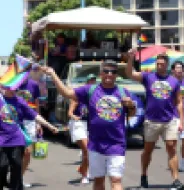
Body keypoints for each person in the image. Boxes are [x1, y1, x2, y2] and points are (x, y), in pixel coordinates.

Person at [40, 60, 136, 190]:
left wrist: (131, 105)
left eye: (113, 72)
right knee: (98, 181)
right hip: (96, 144)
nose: (109, 74)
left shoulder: (123, 92)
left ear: (116, 75)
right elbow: (67, 93)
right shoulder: (90, 90)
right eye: (106, 71)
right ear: (100, 74)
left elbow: (131, 113)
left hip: (116, 144)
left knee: (116, 181)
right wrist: (53, 74)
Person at [126, 51, 184, 190]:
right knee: (148, 150)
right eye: (158, 64)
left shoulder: (174, 81)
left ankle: (176, 180)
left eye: (162, 64)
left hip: (169, 120)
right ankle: (143, 176)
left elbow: (179, 102)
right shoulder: (148, 77)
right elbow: (130, 73)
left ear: (167, 65)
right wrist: (130, 59)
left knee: (171, 148)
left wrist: (181, 121)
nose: (159, 66)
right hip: (151, 120)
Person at [0, 87, 58, 190]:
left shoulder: (19, 101)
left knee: (17, 166)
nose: (12, 90)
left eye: (14, 88)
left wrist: (49, 125)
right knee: (2, 166)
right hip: (1, 139)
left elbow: (34, 115)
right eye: (8, 88)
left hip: (16, 139)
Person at [68, 73, 96, 184]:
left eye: (94, 81)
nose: (92, 82)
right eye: (90, 81)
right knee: (86, 149)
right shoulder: (78, 97)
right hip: (78, 124)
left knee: (88, 151)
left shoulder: (95, 97)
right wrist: (74, 116)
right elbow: (69, 113)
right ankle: (84, 175)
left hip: (90, 125)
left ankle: (82, 169)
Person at [16, 77, 41, 188]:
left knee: (27, 152)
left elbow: (36, 102)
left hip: (30, 121)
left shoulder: (34, 84)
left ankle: (19, 178)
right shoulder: (13, 83)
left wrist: (38, 123)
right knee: (14, 151)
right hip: (15, 120)